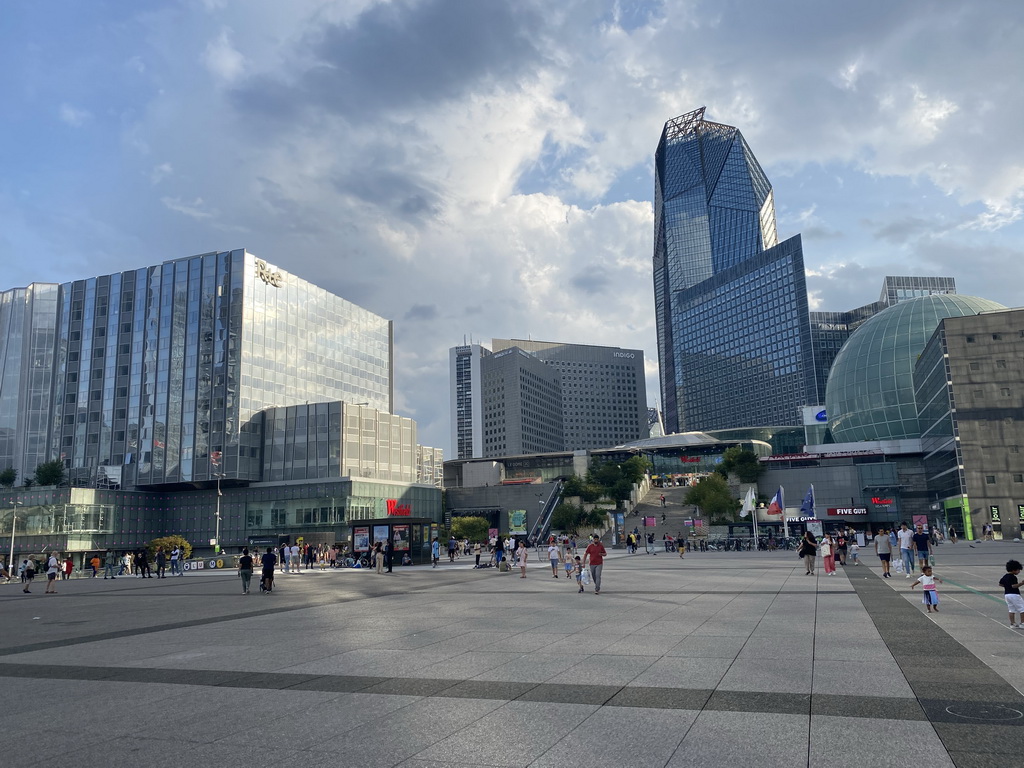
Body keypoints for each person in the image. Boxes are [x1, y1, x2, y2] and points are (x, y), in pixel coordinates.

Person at [1000, 560, 1024, 628]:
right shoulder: (1013, 577)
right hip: (1014, 594)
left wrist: (1007, 586)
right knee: (1022, 609)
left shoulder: (1005, 576)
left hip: (1007, 595)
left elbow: (1000, 584)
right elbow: (1014, 586)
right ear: (1014, 570)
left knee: (1011, 609)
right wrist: (1022, 583)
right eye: (1018, 570)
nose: (1019, 572)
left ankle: (1012, 623)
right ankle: (1022, 623)